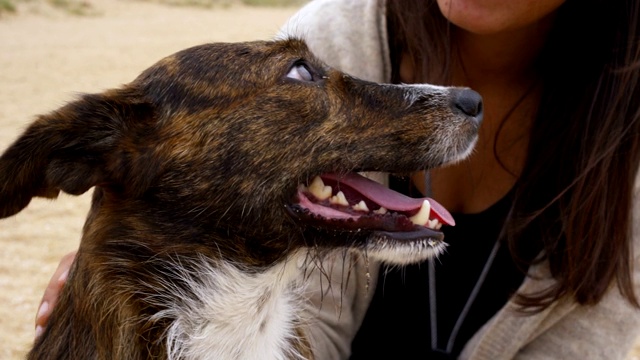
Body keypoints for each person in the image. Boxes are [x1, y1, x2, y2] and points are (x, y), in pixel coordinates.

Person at [35, 0, 640, 358]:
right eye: (305, 76)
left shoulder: (626, 129)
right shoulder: (336, 35)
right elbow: (300, 322)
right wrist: (131, 282)